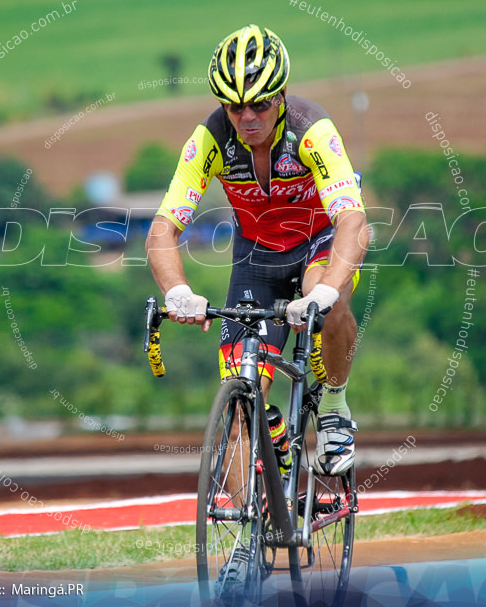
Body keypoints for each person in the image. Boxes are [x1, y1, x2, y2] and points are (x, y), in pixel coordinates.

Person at [145, 24, 370, 477]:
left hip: (318, 242)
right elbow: (162, 231)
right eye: (234, 106)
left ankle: (333, 406)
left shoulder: (311, 130)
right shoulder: (210, 139)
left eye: (259, 104)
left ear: (281, 95)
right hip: (257, 257)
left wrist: (326, 291)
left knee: (327, 292)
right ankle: (249, 539)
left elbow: (354, 222)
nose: (247, 117)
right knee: (238, 407)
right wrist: (177, 291)